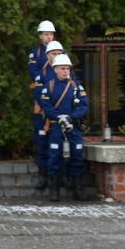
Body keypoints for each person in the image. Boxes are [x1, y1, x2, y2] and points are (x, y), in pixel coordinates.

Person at [39, 54, 91, 201]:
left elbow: (84, 105)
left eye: (67, 68)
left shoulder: (76, 86)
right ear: (55, 69)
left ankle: (77, 189)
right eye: (62, 68)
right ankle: (54, 190)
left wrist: (71, 117)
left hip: (73, 127)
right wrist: (58, 117)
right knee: (54, 157)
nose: (65, 71)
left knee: (77, 156)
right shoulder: (48, 87)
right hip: (56, 127)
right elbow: (46, 107)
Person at [28, 21, 57, 190]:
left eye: (51, 34)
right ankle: (43, 174)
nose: (48, 36)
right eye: (45, 34)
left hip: (56, 100)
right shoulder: (35, 53)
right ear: (40, 36)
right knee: (41, 139)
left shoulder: (60, 52)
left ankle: (58, 176)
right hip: (40, 99)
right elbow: (34, 74)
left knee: (57, 141)